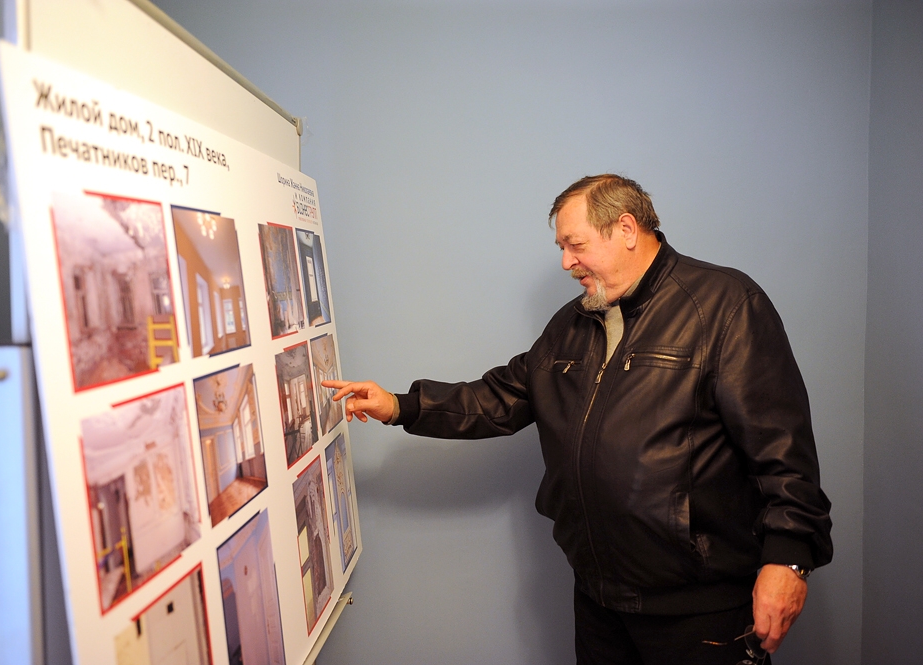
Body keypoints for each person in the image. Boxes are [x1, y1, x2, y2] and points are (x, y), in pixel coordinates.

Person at [324, 174, 832, 665]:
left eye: (575, 245)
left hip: (699, 608)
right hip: (598, 599)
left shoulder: (725, 305)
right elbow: (502, 396)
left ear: (627, 229)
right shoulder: (574, 320)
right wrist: (400, 405)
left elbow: (783, 452)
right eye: (562, 247)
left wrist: (789, 559)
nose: (566, 262)